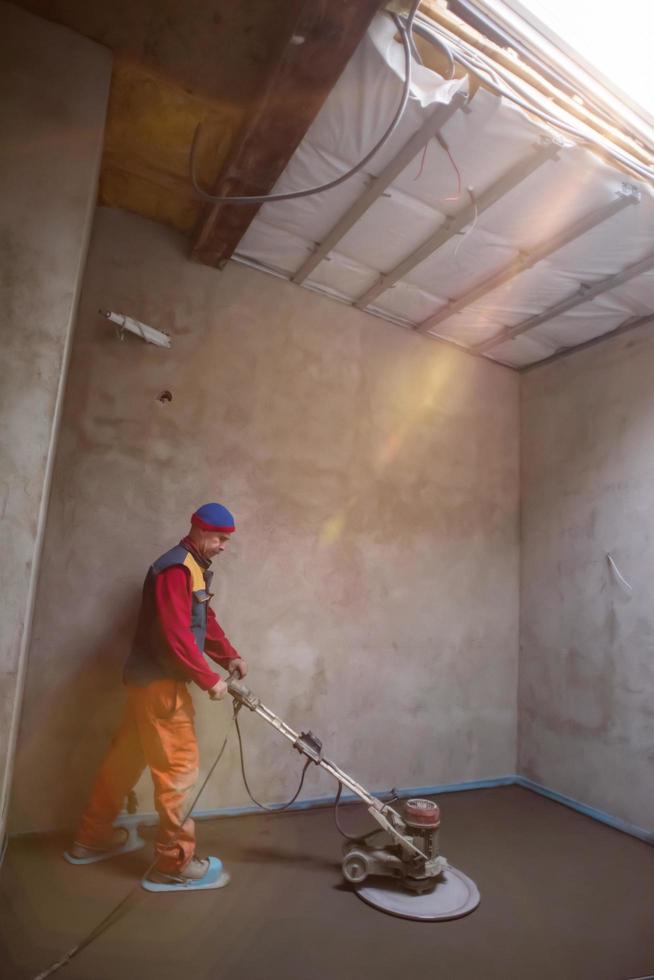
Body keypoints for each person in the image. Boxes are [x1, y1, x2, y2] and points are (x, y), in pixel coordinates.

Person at [64, 502, 247, 891]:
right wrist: (207, 678)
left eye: (227, 540)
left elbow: (202, 620)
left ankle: (90, 838)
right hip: (161, 687)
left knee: (125, 761)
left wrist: (228, 655)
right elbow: (175, 634)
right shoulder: (176, 568)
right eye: (218, 538)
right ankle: (173, 865)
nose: (223, 546)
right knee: (178, 772)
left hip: (147, 687)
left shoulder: (193, 569)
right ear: (197, 530)